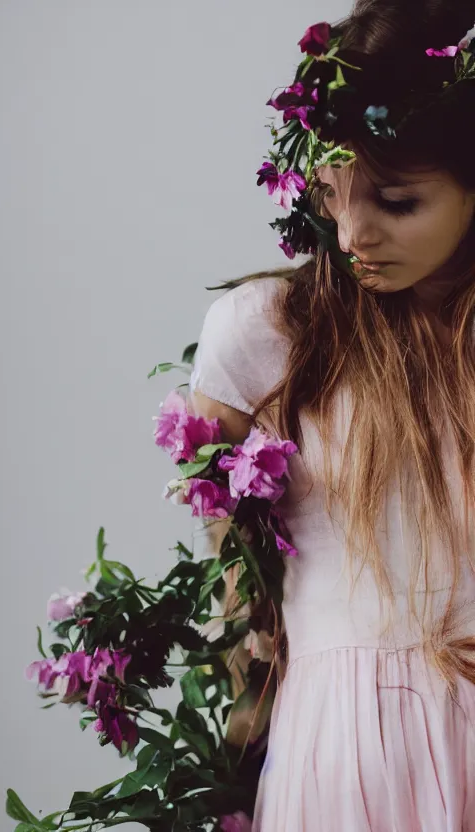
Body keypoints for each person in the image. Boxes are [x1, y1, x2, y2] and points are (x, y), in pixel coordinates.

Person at [189, 2, 475, 829]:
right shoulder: (269, 334)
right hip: (348, 751)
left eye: (395, 201)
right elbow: (234, 551)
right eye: (331, 193)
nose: (354, 234)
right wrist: (251, 644)